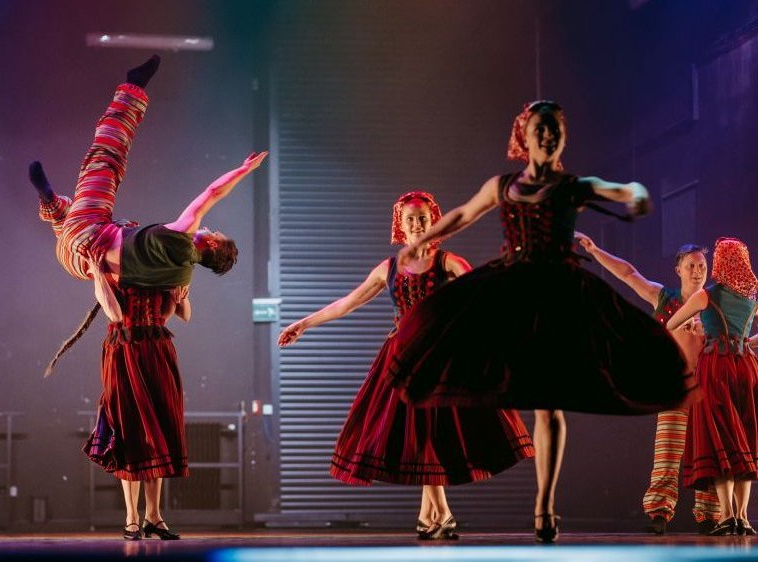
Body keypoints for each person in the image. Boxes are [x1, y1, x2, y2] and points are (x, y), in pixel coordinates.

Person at [385, 101, 693, 542]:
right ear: (524, 137)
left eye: (554, 130)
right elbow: (462, 214)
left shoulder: (573, 185)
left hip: (561, 297)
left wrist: (639, 194)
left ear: (561, 138)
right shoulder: (503, 185)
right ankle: (461, 462)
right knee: (479, 364)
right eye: (539, 129)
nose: (547, 136)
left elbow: (622, 190)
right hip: (512, 292)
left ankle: (544, 506)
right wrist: (425, 240)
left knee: (550, 404)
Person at [34, 55, 266, 540]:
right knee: (143, 430)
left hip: (93, 244)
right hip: (83, 255)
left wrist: (243, 171)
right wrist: (102, 276)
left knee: (105, 161)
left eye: (215, 235)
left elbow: (208, 195)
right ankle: (53, 207)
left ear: (210, 245)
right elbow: (182, 311)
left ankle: (129, 94)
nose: (212, 230)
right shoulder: (179, 272)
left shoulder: (184, 239)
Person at [279, 191, 535, 540]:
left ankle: (436, 513)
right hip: (400, 359)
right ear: (400, 224)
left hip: (438, 359)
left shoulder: (447, 261)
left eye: (423, 218)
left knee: (428, 435)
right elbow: (348, 302)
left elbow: (481, 294)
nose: (417, 224)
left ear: (434, 222)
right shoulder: (390, 268)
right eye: (410, 219)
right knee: (418, 436)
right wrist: (303, 324)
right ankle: (435, 513)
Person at [575, 233, 720, 534]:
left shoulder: (715, 303)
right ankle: (660, 513)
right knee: (667, 455)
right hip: (676, 390)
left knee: (708, 456)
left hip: (708, 389)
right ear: (679, 270)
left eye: (702, 266)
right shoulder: (665, 298)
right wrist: (595, 250)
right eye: (691, 266)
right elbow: (629, 274)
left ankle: (709, 516)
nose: (697, 271)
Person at [666, 237, 758, 536]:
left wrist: (695, 325)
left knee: (720, 438)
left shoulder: (705, 296)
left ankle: (727, 516)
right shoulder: (752, 300)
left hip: (716, 368)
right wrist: (747, 342)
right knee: (744, 439)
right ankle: (744, 518)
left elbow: (670, 324)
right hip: (747, 368)